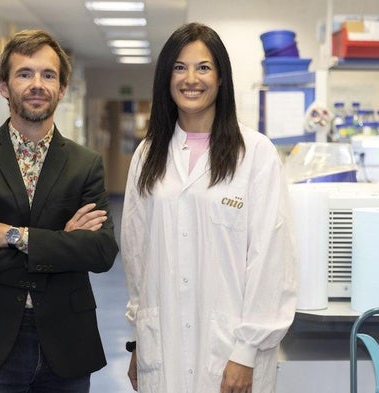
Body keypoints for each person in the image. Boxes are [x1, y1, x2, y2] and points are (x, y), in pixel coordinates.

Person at [121, 22, 298, 393]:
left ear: (221, 78)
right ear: (166, 78)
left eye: (203, 67)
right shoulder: (146, 155)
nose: (191, 79)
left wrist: (246, 352)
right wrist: (140, 338)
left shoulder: (256, 154)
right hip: (162, 343)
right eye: (179, 67)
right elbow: (137, 255)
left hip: (232, 351)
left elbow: (270, 258)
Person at [0, 29, 119, 393]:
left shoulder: (85, 165)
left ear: (62, 88)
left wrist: (15, 236)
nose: (37, 84)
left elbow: (100, 252)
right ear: (5, 86)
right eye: (25, 74)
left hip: (66, 339)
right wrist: (62, 247)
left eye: (48, 75)